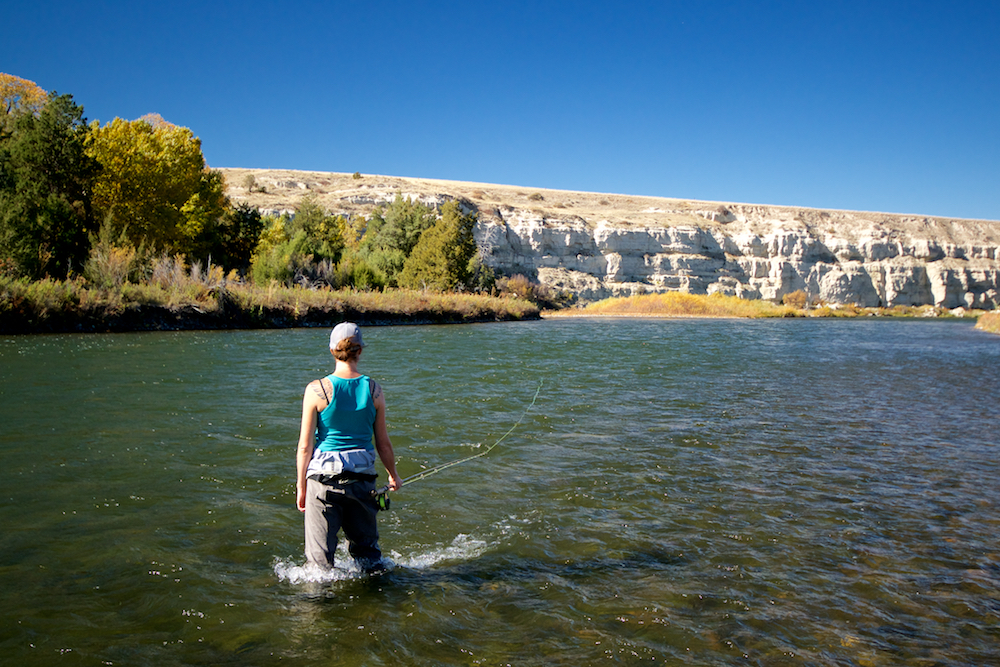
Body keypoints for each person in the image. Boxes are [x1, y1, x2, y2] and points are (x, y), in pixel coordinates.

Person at [295, 322, 400, 572]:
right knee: (369, 558)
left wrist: (301, 486)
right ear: (360, 351)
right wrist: (393, 475)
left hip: (322, 481)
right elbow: (383, 443)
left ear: (332, 350)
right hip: (362, 481)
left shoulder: (316, 390)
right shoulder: (374, 390)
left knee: (319, 566)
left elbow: (304, 448)